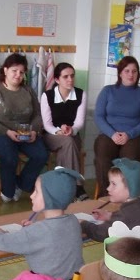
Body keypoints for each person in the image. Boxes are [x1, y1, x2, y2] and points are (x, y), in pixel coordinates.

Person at [0, 167, 85, 280]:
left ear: (49, 198)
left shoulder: (37, 232)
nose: (32, 195)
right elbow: (51, 234)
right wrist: (33, 229)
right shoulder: (73, 221)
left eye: (37, 192)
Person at [0, 52, 49, 203]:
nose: (18, 75)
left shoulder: (28, 91)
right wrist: (7, 132)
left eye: (21, 72)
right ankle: (8, 191)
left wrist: (34, 131)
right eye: (14, 71)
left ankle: (21, 184)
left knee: (41, 155)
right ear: (5, 70)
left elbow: (38, 115)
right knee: (10, 155)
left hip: (25, 134)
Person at [93, 56, 140, 197]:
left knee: (128, 161)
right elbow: (98, 116)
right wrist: (112, 134)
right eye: (127, 71)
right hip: (109, 135)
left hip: (134, 137)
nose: (131, 74)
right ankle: (106, 197)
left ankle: (124, 196)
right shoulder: (107, 91)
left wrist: (128, 135)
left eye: (134, 71)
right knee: (102, 158)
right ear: (120, 73)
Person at [40, 62, 88, 200]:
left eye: (72, 76)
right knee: (68, 142)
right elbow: (47, 124)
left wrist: (72, 130)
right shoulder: (47, 96)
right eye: (65, 76)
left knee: (67, 145)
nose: (70, 79)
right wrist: (58, 131)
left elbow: (79, 122)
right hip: (51, 136)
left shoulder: (81, 94)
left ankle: (63, 188)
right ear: (57, 79)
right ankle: (77, 187)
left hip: (72, 134)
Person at [81, 158, 140, 243]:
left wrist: (83, 224)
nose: (108, 188)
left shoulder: (125, 215)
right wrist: (109, 215)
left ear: (130, 188)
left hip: (128, 251)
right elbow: (127, 219)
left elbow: (100, 233)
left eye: (113, 184)